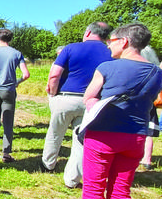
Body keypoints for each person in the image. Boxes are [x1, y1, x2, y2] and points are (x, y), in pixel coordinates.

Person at [75, 23, 162, 199]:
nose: (109, 44)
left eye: (111, 40)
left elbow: (89, 96)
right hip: (135, 137)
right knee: (121, 192)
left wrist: (94, 104)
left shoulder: (106, 67)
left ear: (124, 42)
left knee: (93, 188)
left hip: (102, 135)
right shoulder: (157, 72)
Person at [41, 22, 113, 188]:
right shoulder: (110, 53)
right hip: (92, 101)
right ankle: (72, 179)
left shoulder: (71, 48)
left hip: (66, 97)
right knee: (81, 139)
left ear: (87, 32)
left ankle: (48, 164)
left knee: (55, 132)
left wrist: (52, 93)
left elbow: (55, 74)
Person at [0, 29, 30, 162]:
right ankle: (6, 152)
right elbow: (26, 74)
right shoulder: (16, 53)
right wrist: (16, 82)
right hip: (8, 89)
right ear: (10, 39)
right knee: (8, 121)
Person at [139, 45, 161, 171]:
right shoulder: (155, 71)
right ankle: (147, 159)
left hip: (133, 104)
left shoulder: (133, 68)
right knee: (149, 131)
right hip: (149, 103)